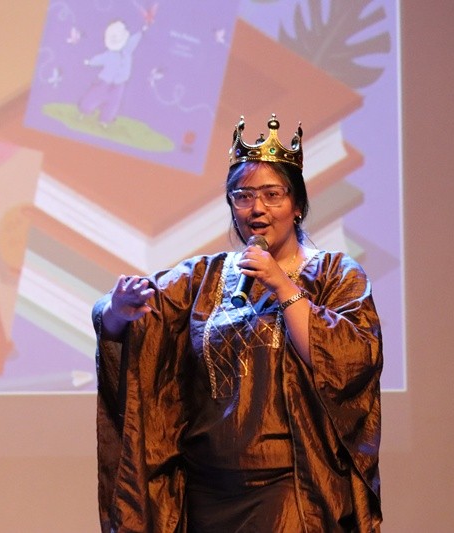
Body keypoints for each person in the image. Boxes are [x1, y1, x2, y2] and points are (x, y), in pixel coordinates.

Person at [93, 114, 383, 532]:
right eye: (243, 196)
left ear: (297, 205)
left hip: (290, 488)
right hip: (208, 490)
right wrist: (117, 312)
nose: (257, 208)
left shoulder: (335, 274)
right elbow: (131, 320)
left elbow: (348, 360)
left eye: (272, 195)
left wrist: (282, 285)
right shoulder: (203, 277)